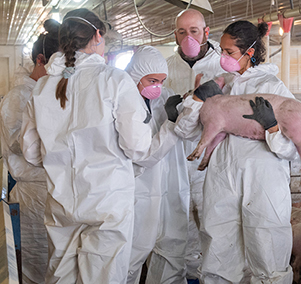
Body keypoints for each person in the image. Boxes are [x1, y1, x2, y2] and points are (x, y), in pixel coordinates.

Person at [19, 9, 183, 283]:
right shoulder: (113, 81)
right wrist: (174, 127)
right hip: (108, 205)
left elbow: (32, 153)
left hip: (63, 204)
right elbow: (139, 150)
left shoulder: (43, 88)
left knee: (61, 277)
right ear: (98, 35)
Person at [181, 20, 296, 284]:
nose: (222, 58)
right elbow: (186, 131)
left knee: (267, 249)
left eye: (229, 52)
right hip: (223, 177)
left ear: (250, 53)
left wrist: (273, 127)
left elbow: (294, 147)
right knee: (218, 248)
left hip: (263, 179)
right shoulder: (224, 86)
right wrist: (195, 100)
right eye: (221, 51)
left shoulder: (274, 88)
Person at [147, 8, 225, 284]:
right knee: (176, 222)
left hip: (212, 158)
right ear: (175, 34)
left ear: (206, 33)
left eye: (194, 31)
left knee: (213, 220)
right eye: (182, 32)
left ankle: (210, 276)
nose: (188, 37)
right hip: (174, 156)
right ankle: (183, 277)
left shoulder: (224, 65)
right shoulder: (165, 67)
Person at [0, 18, 59, 284]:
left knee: (53, 260)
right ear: (40, 60)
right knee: (33, 264)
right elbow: (18, 144)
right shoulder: (19, 96)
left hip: (53, 189)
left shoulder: (50, 90)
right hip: (31, 193)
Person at [124, 46, 189, 284]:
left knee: (171, 251)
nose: (157, 86)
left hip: (169, 183)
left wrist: (192, 107)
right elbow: (141, 155)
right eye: (152, 80)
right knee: (131, 254)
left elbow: (185, 132)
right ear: (136, 75)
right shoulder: (124, 101)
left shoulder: (165, 96)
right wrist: (171, 124)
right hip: (138, 187)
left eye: (161, 80)